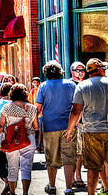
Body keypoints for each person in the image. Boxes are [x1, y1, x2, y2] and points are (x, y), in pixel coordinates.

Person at [66, 58, 108, 195]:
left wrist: (70, 130)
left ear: (89, 72)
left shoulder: (82, 86)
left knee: (93, 167)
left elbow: (75, 111)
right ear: (100, 69)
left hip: (91, 131)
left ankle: (91, 193)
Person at [34, 62, 77, 195]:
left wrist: (36, 124)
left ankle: (52, 186)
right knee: (69, 158)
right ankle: (69, 188)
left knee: (51, 158)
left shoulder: (43, 86)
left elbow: (38, 109)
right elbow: (76, 106)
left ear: (46, 73)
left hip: (49, 126)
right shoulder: (71, 85)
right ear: (61, 72)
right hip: (69, 126)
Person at [0, 83, 38, 195]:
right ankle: (25, 193)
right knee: (26, 168)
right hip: (28, 139)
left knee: (12, 168)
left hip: (11, 140)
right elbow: (36, 127)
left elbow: (0, 125)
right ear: (25, 94)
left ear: (11, 94)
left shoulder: (7, 107)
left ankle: (12, 193)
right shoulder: (31, 108)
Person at [69, 61, 87, 190]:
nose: (80, 73)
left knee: (80, 152)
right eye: (77, 70)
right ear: (72, 71)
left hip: (85, 122)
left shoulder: (87, 84)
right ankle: (73, 178)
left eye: (82, 70)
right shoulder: (69, 85)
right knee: (72, 152)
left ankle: (78, 175)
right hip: (73, 122)